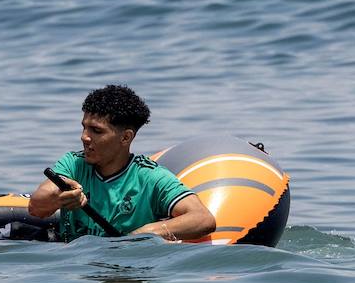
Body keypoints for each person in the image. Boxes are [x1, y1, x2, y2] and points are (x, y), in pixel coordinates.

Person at [26, 85, 216, 242]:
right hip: (75, 270)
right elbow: (36, 206)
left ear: (125, 137)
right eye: (84, 127)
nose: (84, 137)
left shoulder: (150, 177)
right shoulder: (74, 163)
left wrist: (144, 233)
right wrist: (60, 196)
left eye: (96, 131)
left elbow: (203, 219)